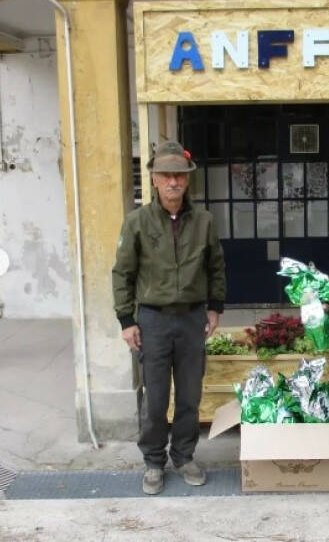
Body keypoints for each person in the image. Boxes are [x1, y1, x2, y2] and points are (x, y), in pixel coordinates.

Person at [112, 140, 226, 495]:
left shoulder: (204, 221)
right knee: (156, 399)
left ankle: (184, 455)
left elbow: (216, 266)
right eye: (166, 175)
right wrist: (126, 321)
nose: (173, 181)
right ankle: (153, 461)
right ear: (155, 180)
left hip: (192, 320)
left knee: (190, 397)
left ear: (187, 180)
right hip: (153, 321)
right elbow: (122, 273)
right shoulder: (137, 222)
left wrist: (215, 307)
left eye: (179, 175)